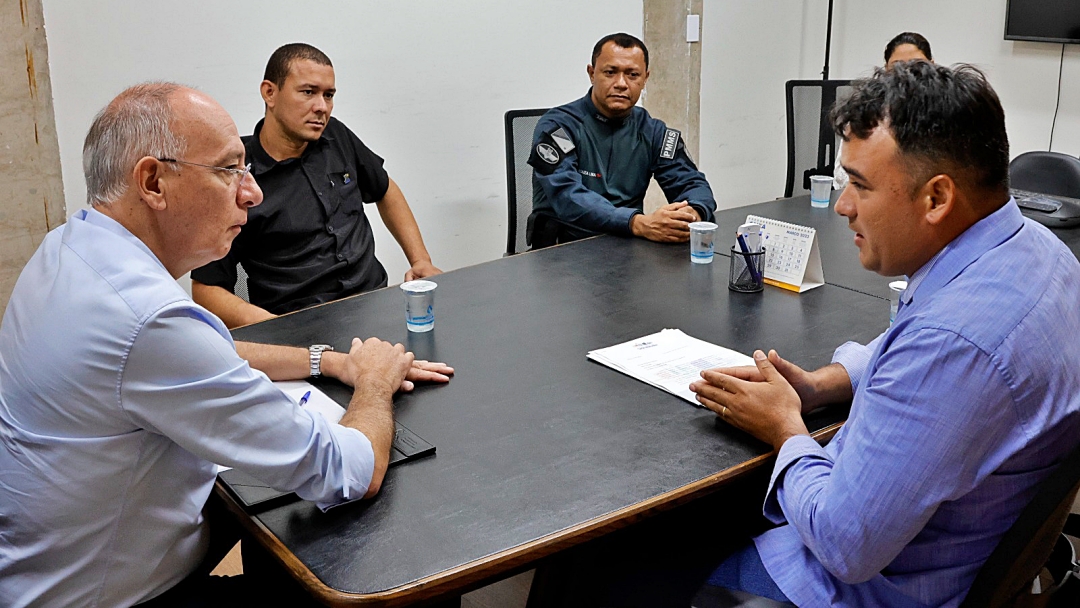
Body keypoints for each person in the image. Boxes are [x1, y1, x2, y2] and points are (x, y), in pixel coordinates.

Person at [0, 83, 450, 607]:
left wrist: (327, 359)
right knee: (400, 567)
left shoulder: (72, 249)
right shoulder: (145, 320)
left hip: (45, 572)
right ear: (153, 181)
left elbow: (204, 354)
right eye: (228, 170)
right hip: (126, 596)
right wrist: (373, 380)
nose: (252, 193)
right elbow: (347, 470)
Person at [688, 62, 1080, 606]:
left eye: (861, 185)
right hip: (960, 552)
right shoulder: (1039, 252)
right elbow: (917, 339)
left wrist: (785, 428)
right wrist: (826, 383)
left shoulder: (955, 343)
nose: (844, 204)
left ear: (937, 198)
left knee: (623, 564)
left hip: (866, 586)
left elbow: (844, 545)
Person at [191, 43, 441, 328]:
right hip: (300, 324)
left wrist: (420, 259)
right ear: (269, 93)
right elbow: (206, 288)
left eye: (329, 95)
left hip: (375, 304)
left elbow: (385, 189)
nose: (322, 107)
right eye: (308, 92)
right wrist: (274, 330)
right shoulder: (236, 178)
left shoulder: (337, 136)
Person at [527, 33, 717, 249]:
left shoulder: (653, 131)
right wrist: (637, 223)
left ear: (645, 78)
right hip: (563, 253)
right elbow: (566, 196)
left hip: (627, 250)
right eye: (610, 72)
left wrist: (692, 213)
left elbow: (691, 183)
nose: (621, 84)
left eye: (632, 75)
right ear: (591, 73)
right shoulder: (558, 127)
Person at [834, 31, 933, 189]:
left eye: (917, 64)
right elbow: (842, 177)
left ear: (932, 66)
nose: (907, 73)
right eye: (898, 66)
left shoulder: (948, 109)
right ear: (886, 71)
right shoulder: (868, 108)